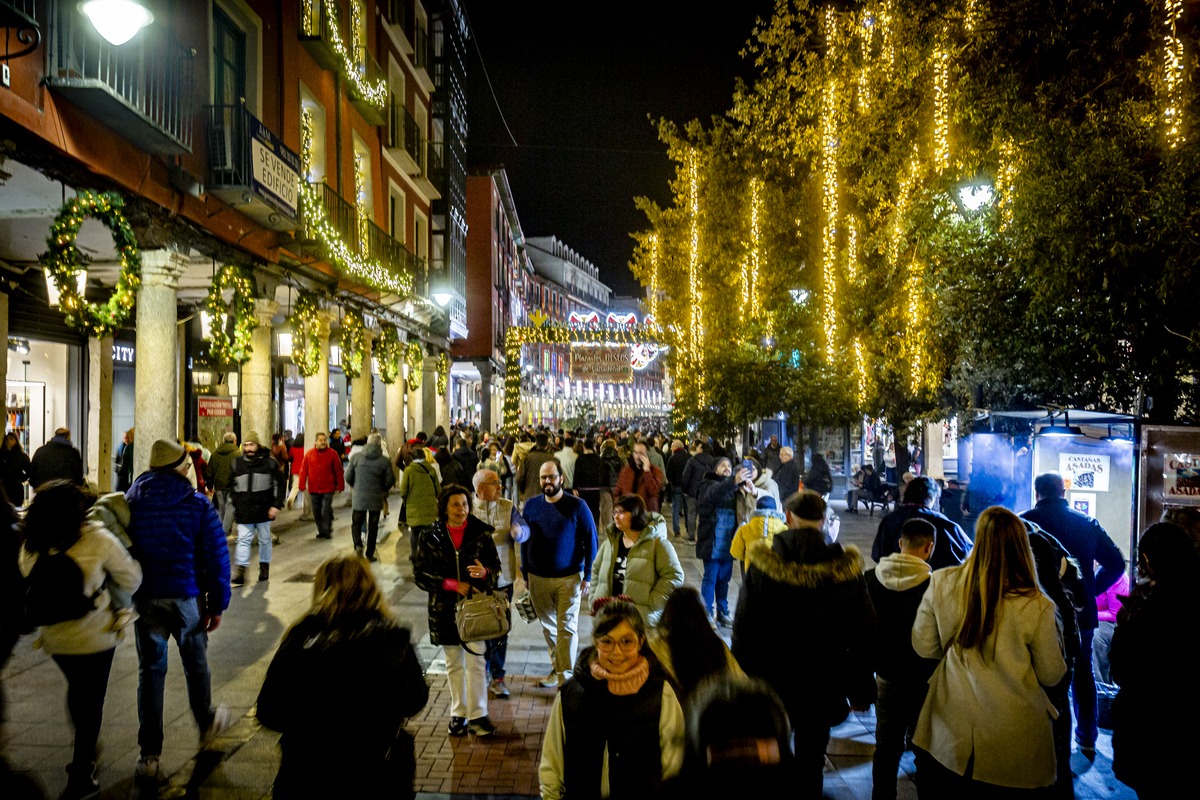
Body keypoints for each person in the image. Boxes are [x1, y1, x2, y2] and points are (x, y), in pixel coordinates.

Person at [910, 506, 1067, 797]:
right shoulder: (1037, 604)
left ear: (977, 538)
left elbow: (924, 646)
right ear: (1022, 546)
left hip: (950, 732)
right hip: (1016, 739)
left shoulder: (943, 582)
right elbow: (1052, 674)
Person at [732, 489, 876, 799]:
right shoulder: (846, 570)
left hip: (772, 685)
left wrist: (745, 682)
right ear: (824, 521)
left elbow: (743, 630)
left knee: (773, 755)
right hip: (823, 687)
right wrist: (861, 688)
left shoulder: (762, 566)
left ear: (787, 518)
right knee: (812, 761)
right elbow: (864, 634)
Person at [256, 555, 429, 798]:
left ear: (321, 590)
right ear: (370, 588)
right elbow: (415, 700)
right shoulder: (391, 638)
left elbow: (268, 710)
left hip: (310, 775)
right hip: (377, 772)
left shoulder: (301, 639)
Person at [19, 480, 142, 799]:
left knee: (78, 689)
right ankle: (81, 772)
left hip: (53, 635)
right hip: (95, 636)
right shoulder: (97, 538)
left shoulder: (33, 540)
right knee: (91, 702)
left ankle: (85, 751)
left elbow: (25, 571)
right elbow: (130, 578)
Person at [124, 439, 233, 783]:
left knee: (150, 672)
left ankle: (149, 756)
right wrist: (217, 604)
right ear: (180, 468)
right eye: (187, 466)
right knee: (196, 666)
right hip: (186, 598)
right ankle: (206, 723)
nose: (190, 471)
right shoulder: (197, 503)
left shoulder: (130, 501)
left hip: (146, 598)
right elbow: (217, 558)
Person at [538, 598, 685, 799]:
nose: (616, 652)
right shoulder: (571, 694)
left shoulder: (661, 694)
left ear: (641, 642)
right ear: (595, 642)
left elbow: (675, 769)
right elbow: (552, 767)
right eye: (607, 641)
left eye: (627, 641)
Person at [1021, 471, 1125, 756]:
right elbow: (1116, 563)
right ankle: (1087, 737)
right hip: (1080, 613)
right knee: (1082, 672)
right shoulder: (1087, 523)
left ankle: (1044, 738)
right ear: (1063, 493)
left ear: (1037, 492)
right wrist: (1089, 588)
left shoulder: (1023, 523)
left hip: (1034, 610)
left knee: (1037, 671)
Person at [1109, 522, 1200, 799]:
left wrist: (1125, 622)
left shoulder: (1148, 609)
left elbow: (1123, 670)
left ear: (1149, 560)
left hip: (1152, 732)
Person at [410, 484, 502, 736]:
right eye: (455, 505)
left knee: (476, 661)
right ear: (444, 508)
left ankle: (478, 715)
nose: (461, 509)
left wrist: (485, 573)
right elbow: (419, 574)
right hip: (444, 609)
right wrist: (450, 584)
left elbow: (495, 568)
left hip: (475, 608)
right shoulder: (430, 535)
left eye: (465, 504)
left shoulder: (481, 534)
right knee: (453, 664)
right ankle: (458, 714)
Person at [865, 518, 939, 800]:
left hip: (886, 675)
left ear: (900, 544)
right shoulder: (934, 586)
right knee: (925, 750)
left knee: (886, 747)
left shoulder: (870, 579)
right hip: (924, 678)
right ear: (928, 548)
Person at [521, 458, 599, 688]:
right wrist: (525, 573)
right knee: (549, 629)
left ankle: (566, 679)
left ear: (561, 478)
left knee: (567, 628)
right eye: (543, 477)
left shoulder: (577, 506)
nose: (547, 481)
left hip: (569, 578)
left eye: (551, 477)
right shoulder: (532, 505)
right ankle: (558, 667)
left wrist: (587, 575)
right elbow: (525, 541)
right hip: (537, 578)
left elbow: (591, 541)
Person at [471, 468, 530, 698]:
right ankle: (480, 671)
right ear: (480, 489)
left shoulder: (508, 506)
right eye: (495, 482)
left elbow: (524, 529)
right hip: (476, 581)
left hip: (503, 579)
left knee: (501, 628)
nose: (500, 486)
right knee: (478, 626)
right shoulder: (468, 507)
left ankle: (498, 676)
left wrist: (519, 532)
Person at [590, 494, 685, 626]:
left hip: (640, 620)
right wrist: (594, 598)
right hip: (609, 617)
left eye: (621, 512)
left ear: (635, 514)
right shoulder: (611, 542)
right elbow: (596, 569)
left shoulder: (658, 544)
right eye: (615, 512)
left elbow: (674, 576)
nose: (616, 517)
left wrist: (652, 602)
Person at [650, 586, 742, 708]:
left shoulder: (656, 645)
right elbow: (740, 681)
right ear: (702, 615)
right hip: (713, 715)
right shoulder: (717, 646)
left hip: (673, 718)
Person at [872, 476, 973, 570]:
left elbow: (877, 555)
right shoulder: (943, 523)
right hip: (934, 583)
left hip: (894, 582)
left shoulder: (889, 520)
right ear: (933, 498)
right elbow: (966, 551)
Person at [229, 431, 285, 585]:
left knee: (265, 540)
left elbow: (281, 482)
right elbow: (231, 485)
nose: (249, 448)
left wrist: (276, 505)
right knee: (243, 540)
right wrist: (236, 502)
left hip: (264, 510)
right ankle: (240, 570)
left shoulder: (269, 463)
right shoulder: (237, 464)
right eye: (246, 445)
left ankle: (264, 566)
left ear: (258, 445)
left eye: (251, 445)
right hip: (244, 510)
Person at [695, 458, 741, 626]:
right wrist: (733, 481)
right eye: (723, 465)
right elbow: (715, 493)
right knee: (710, 578)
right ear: (715, 469)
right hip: (712, 540)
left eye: (729, 465)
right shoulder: (708, 485)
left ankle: (723, 611)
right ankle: (707, 613)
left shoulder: (734, 488)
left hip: (728, 541)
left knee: (724, 579)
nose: (727, 468)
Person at [345, 433, 395, 561]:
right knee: (373, 526)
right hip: (376, 497)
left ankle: (358, 545)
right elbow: (390, 480)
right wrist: (382, 489)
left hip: (359, 497)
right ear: (380, 445)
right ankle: (370, 553)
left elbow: (348, 476)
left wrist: (356, 486)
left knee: (356, 522)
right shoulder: (384, 460)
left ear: (367, 443)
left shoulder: (356, 458)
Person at [296, 432, 344, 541]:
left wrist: (340, 486)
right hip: (314, 488)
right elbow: (303, 470)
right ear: (315, 442)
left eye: (324, 440)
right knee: (316, 511)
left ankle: (327, 530)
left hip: (328, 487)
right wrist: (301, 484)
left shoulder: (333, 454)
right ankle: (321, 530)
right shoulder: (309, 454)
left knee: (326, 509)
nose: (323, 442)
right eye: (320, 440)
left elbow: (338, 470)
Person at [730, 496, 787, 577]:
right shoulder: (784, 529)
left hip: (752, 575)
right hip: (776, 576)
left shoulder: (744, 529)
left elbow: (736, 553)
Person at [399, 446, 442, 549]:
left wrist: (405, 501)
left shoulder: (409, 471)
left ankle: (414, 555)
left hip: (413, 506)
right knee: (428, 532)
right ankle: (426, 553)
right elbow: (438, 489)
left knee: (414, 533)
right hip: (429, 506)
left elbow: (403, 490)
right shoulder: (431, 469)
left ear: (413, 458)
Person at [1093, 568, 1129, 685]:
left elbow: (1115, 615)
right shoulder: (1100, 572)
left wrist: (1090, 614)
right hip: (1102, 619)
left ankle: (1100, 684)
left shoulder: (1117, 579)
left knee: (1095, 637)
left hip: (1115, 624)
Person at [204, 432, 240, 536]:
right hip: (233, 485)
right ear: (234, 441)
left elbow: (209, 471)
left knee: (221, 508)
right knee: (230, 507)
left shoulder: (215, 454)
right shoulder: (238, 454)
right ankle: (224, 531)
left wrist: (210, 485)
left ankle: (221, 529)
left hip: (219, 485)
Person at [679, 442, 715, 544]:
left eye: (699, 447)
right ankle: (704, 536)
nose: (697, 448)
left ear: (702, 449)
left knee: (692, 513)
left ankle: (691, 536)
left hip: (693, 492)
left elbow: (686, 477)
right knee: (705, 514)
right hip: (707, 493)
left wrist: (685, 490)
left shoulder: (693, 461)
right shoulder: (713, 462)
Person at [615, 442, 666, 512]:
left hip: (647, 513)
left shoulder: (655, 470)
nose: (638, 456)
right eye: (636, 453)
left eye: (641, 453)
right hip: (628, 514)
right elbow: (617, 493)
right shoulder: (626, 471)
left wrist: (647, 471)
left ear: (647, 455)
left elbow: (653, 491)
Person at [734, 457, 780, 528]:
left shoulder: (768, 483)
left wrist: (756, 492)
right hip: (747, 529)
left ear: (758, 470)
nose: (749, 472)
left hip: (765, 528)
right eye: (746, 469)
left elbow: (772, 500)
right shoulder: (740, 487)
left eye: (753, 469)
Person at [515, 432, 556, 504]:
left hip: (530, 497)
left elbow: (519, 478)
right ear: (547, 444)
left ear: (536, 443)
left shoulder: (527, 458)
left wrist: (525, 490)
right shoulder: (554, 460)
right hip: (548, 499)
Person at [665, 440, 691, 538]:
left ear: (676, 447)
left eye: (672, 446)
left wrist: (672, 481)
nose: (671, 448)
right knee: (687, 508)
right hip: (687, 487)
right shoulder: (689, 457)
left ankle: (676, 530)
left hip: (676, 486)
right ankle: (689, 528)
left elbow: (668, 473)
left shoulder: (673, 458)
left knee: (675, 508)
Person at [0, 432, 30, 505]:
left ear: (16, 441)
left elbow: (29, 471)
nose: (8, 441)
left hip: (16, 488)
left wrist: (21, 479)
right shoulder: (2, 455)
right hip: (4, 487)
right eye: (6, 439)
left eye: (11, 439)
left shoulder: (21, 456)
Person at [114, 428, 135, 493]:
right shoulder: (121, 448)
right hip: (124, 476)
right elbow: (118, 461)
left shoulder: (128, 448)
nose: (126, 440)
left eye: (128, 438)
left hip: (126, 477)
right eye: (125, 438)